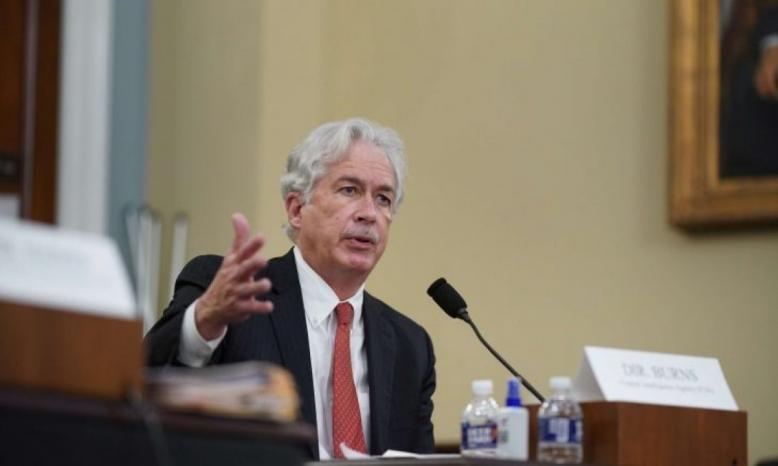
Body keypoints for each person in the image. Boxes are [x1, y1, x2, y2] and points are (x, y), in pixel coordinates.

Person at [145, 118, 436, 460]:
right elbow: (144, 382)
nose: (369, 214)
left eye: (383, 198)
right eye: (349, 190)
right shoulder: (233, 293)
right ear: (297, 209)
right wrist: (203, 322)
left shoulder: (410, 347)